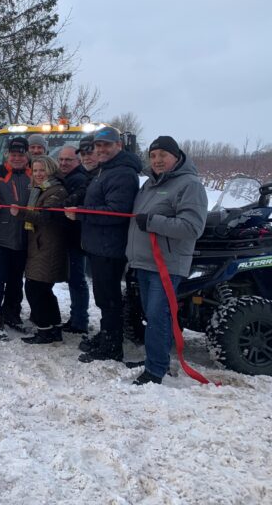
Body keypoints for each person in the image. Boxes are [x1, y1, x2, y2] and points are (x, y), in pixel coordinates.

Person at [126, 136, 207, 385]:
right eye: (153, 156)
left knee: (157, 316)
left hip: (166, 264)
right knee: (153, 316)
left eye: (163, 155)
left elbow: (192, 227)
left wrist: (152, 221)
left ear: (176, 156)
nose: (157, 160)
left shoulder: (189, 185)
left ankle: (156, 369)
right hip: (143, 262)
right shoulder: (149, 185)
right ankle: (156, 358)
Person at [65, 126, 142, 363]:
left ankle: (112, 346)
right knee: (103, 295)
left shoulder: (123, 173)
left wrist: (81, 213)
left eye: (107, 145)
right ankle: (107, 333)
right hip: (99, 244)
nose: (101, 149)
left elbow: (115, 212)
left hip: (110, 246)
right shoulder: (106, 170)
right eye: (98, 145)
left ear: (119, 145)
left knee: (109, 298)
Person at [10, 156, 68, 343]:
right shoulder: (39, 190)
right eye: (35, 171)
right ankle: (54, 328)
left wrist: (20, 212)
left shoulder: (57, 191)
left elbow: (45, 217)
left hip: (48, 245)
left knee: (35, 288)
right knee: (43, 290)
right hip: (39, 245)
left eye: (42, 170)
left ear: (51, 170)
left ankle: (45, 330)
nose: (38, 174)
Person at [0, 137, 31, 339]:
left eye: (21, 154)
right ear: (7, 155)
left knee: (16, 280)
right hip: (0, 237)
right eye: (13, 154)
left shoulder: (34, 174)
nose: (17, 158)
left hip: (24, 237)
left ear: (27, 155)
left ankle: (12, 312)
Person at [57, 145, 90, 334]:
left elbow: (68, 205)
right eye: (61, 159)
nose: (63, 163)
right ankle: (77, 317)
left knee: (77, 280)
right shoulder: (67, 177)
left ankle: (79, 320)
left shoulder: (78, 179)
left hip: (75, 237)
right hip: (70, 235)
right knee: (75, 279)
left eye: (68, 160)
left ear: (78, 161)